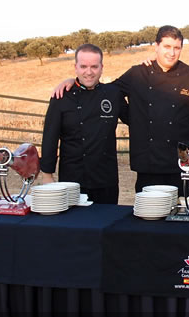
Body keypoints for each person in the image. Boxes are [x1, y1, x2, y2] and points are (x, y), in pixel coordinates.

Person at [52, 26, 189, 192]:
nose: (172, 53)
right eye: (167, 47)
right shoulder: (138, 74)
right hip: (148, 164)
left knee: (183, 213)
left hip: (183, 164)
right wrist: (74, 81)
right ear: (156, 47)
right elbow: (107, 93)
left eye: (176, 48)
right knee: (149, 215)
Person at [40, 43, 128, 204]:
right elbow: (50, 138)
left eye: (94, 67)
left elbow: (135, 120)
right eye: (83, 66)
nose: (89, 72)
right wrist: (47, 175)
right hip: (73, 179)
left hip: (106, 179)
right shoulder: (61, 97)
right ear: (76, 67)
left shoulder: (113, 94)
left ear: (101, 67)